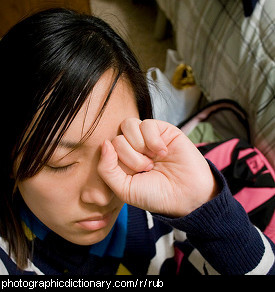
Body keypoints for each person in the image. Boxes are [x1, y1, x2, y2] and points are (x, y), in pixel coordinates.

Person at [0, 8, 274, 275]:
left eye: (123, 149)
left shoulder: (169, 211)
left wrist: (210, 212)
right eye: (61, 163)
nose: (103, 195)